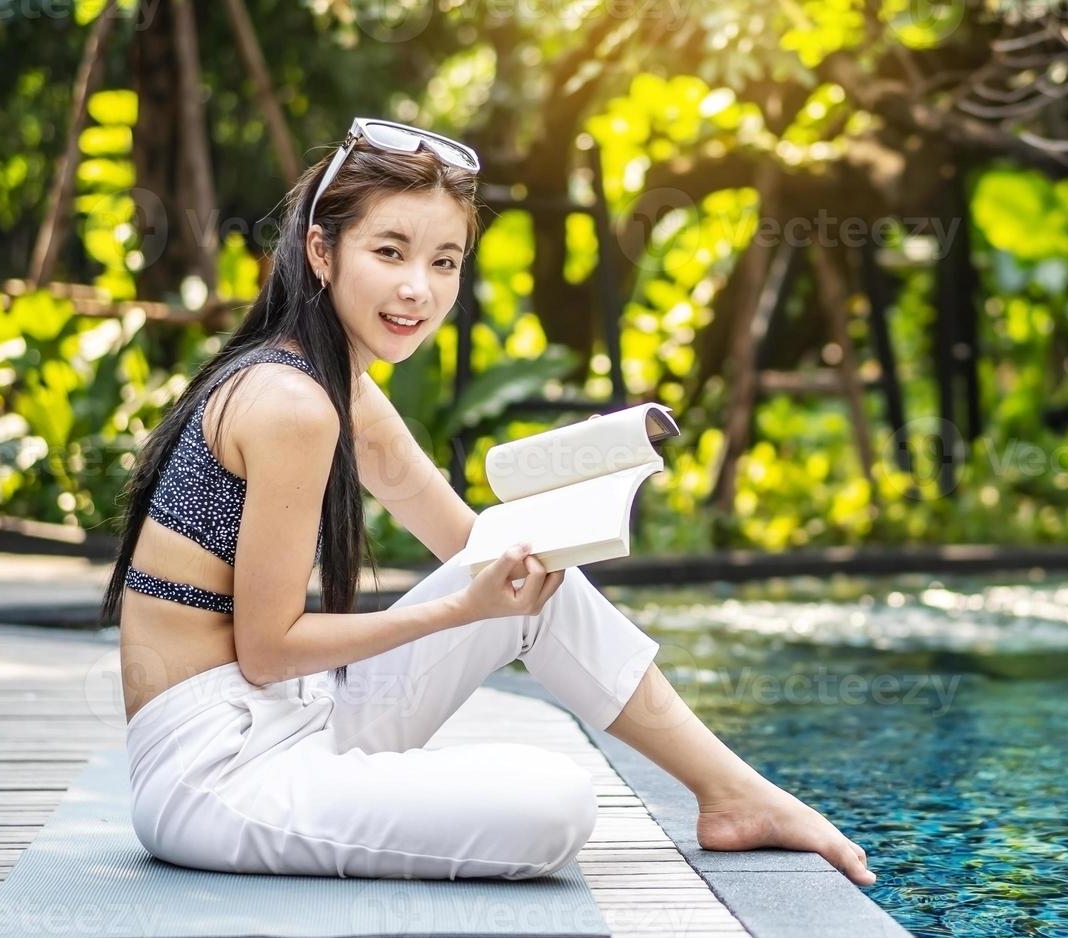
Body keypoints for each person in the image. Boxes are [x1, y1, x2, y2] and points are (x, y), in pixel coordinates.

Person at [99, 118, 874, 885]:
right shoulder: (289, 404)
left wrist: (570, 493)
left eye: (445, 261)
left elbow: (473, 546)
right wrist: (463, 611)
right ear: (322, 252)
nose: (418, 289)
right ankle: (716, 794)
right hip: (220, 773)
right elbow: (267, 652)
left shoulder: (342, 386)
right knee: (555, 806)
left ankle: (731, 793)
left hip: (301, 718)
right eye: (390, 252)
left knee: (531, 573)